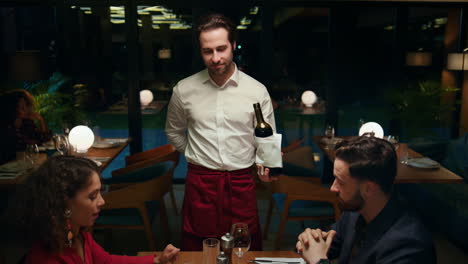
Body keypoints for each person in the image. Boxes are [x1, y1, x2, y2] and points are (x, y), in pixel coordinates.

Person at [165, 13, 277, 250]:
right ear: (200, 50)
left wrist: (266, 165)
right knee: (198, 249)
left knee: (243, 249)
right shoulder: (184, 90)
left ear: (233, 45)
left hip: (241, 182)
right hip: (200, 183)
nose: (216, 58)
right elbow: (174, 132)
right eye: (208, 51)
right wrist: (197, 153)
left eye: (221, 49)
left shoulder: (257, 91)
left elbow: (266, 141)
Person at [8, 156, 180, 264]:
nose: (102, 201)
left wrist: (156, 260)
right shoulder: (47, 258)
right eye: (92, 196)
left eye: (100, 193)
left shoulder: (78, 233)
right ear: (63, 202)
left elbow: (106, 261)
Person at [296, 135, 435, 264]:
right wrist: (310, 242)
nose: (333, 188)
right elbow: (328, 245)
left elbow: (319, 258)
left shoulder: (408, 246)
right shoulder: (355, 211)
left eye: (340, 182)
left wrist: (319, 261)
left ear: (368, 189)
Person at [0, 89, 52, 158]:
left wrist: (41, 120)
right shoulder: (6, 125)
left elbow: (45, 138)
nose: (25, 110)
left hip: (30, 158)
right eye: (21, 107)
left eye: (26, 106)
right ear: (12, 108)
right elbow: (20, 145)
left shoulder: (27, 121)